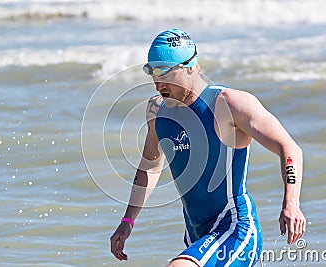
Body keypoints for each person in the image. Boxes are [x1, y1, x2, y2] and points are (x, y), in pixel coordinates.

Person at [110, 28, 306, 267]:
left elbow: (289, 149)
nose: (157, 83)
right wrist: (127, 221)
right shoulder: (156, 111)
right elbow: (149, 168)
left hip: (235, 230)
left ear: (191, 66)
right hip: (196, 235)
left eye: (164, 72)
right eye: (151, 72)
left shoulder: (229, 103)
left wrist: (291, 203)